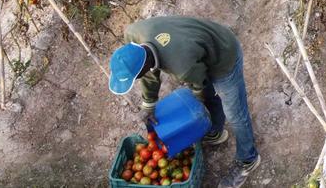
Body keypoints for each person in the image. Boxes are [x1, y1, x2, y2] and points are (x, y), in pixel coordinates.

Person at [110, 16, 261, 188]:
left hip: (223, 53)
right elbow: (149, 71)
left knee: (235, 113)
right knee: (211, 95)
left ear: (144, 65)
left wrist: (194, 117)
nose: (137, 79)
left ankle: (248, 159)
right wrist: (149, 105)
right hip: (196, 50)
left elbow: (200, 90)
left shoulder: (182, 66)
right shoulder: (133, 35)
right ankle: (215, 132)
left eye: (136, 76)